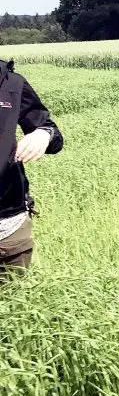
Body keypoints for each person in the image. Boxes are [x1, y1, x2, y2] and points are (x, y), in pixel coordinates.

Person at [0, 60, 64, 277]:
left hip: (9, 228)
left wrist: (43, 134)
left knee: (16, 304)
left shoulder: (12, 84)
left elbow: (50, 131)